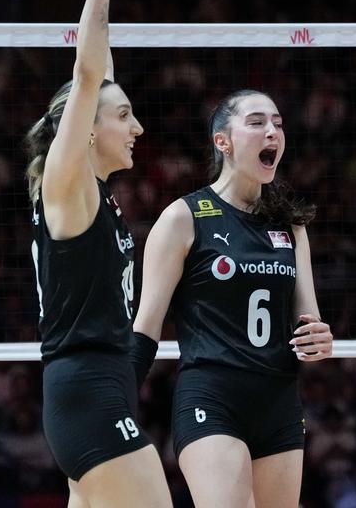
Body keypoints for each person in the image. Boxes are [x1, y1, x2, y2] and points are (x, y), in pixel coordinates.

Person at [24, 0, 172, 508]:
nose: (138, 128)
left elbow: (99, 76)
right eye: (125, 116)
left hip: (98, 385)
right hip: (88, 391)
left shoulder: (92, 189)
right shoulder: (69, 185)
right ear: (85, 129)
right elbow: (89, 77)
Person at [131, 90, 335, 506]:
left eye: (277, 123)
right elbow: (146, 326)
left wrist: (318, 340)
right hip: (212, 397)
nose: (272, 131)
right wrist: (113, 402)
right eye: (257, 122)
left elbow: (308, 320)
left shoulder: (291, 226)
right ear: (223, 141)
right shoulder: (183, 217)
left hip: (279, 401)